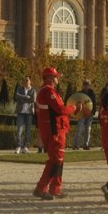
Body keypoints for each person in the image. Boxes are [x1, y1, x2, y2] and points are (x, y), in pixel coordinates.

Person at [33, 67, 71, 199]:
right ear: (50, 78)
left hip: (54, 129)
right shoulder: (49, 91)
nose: (57, 79)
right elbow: (60, 109)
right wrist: (74, 108)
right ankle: (41, 188)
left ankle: (55, 188)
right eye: (56, 77)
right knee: (56, 160)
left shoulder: (47, 91)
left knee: (58, 160)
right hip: (54, 130)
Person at [13, 76, 36, 153]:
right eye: (25, 80)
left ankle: (25, 147)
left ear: (30, 82)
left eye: (27, 80)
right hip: (21, 112)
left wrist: (22, 99)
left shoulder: (33, 90)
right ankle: (18, 146)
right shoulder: (20, 89)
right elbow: (16, 96)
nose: (26, 82)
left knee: (28, 130)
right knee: (19, 129)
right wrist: (26, 97)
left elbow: (33, 99)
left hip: (29, 113)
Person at [73, 79, 97, 151]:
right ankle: (76, 145)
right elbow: (76, 103)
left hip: (89, 114)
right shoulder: (79, 94)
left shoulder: (92, 93)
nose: (86, 86)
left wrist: (93, 112)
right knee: (79, 129)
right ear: (83, 86)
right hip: (82, 114)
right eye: (85, 85)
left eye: (87, 85)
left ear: (89, 85)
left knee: (88, 129)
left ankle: (86, 145)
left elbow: (94, 103)